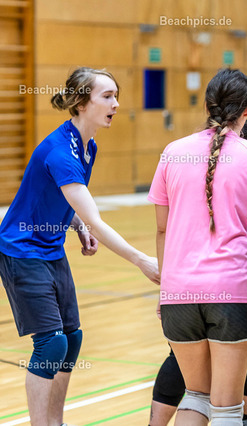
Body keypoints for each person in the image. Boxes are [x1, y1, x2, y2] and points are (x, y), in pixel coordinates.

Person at [0, 67, 159, 426]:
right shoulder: (60, 151)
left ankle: (56, 422)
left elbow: (67, 201)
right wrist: (141, 260)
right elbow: (98, 220)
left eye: (116, 96)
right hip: (22, 251)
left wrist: (77, 225)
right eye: (107, 96)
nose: (115, 104)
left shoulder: (88, 146)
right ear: (82, 103)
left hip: (50, 248)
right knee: (51, 344)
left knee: (71, 339)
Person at [148, 69, 247, 426]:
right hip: (233, 293)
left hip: (179, 294)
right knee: (226, 408)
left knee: (196, 397)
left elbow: (162, 229)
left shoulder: (173, 152)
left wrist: (166, 289)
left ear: (207, 106)